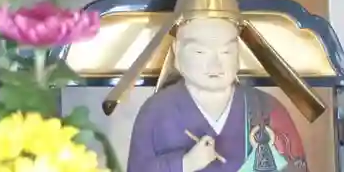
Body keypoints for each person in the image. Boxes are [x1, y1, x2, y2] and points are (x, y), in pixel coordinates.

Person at [128, 15, 307, 172]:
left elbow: (298, 166)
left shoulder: (265, 108)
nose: (215, 65)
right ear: (177, 51)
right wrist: (184, 164)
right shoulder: (155, 112)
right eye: (200, 52)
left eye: (226, 52)